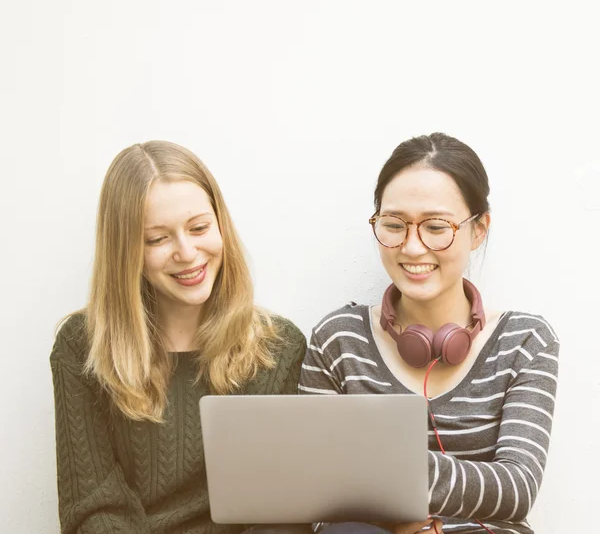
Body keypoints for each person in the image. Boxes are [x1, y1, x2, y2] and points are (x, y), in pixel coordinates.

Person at [299, 133, 559, 534]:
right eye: (394, 225)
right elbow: (313, 491)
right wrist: (388, 518)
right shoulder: (338, 339)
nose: (413, 248)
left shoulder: (526, 340)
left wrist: (390, 474)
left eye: (436, 227)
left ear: (478, 229)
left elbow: (517, 488)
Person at [50, 141, 307, 534]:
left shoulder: (279, 347)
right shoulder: (82, 346)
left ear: (221, 225)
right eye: (157, 239)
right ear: (126, 251)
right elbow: (92, 506)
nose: (187, 253)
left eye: (199, 228)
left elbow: (281, 511)